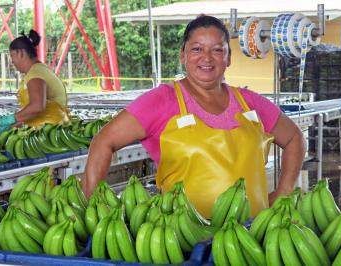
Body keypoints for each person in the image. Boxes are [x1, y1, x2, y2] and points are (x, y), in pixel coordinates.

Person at [83, 15, 305, 218]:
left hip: (251, 235)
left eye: (218, 50)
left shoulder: (251, 102)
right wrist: (94, 208)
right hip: (185, 242)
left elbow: (295, 138)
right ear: (183, 55)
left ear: (228, 58)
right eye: (197, 49)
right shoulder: (160, 101)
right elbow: (104, 141)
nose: (207, 58)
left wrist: (284, 191)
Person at [0, 30, 69, 131]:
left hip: (49, 131)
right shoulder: (39, 69)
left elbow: (37, 106)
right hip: (50, 126)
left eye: (12, 56)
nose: (12, 61)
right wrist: (12, 125)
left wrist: (11, 119)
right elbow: (32, 113)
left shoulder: (36, 73)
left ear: (21, 53)